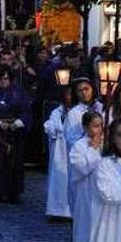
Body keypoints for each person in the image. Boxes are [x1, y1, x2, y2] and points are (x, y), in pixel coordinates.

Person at [0, 65, 32, 203]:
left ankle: (13, 192)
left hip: (14, 132)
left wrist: (19, 122)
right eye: (2, 79)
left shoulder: (18, 91)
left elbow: (26, 110)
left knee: (14, 163)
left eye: (7, 79)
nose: (4, 82)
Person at [69, 112, 104, 242]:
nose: (99, 129)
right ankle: (83, 240)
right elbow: (80, 167)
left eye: (101, 126)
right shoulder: (79, 145)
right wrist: (93, 150)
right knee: (85, 214)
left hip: (100, 187)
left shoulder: (105, 144)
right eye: (95, 126)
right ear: (85, 127)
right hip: (85, 187)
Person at [44, 88, 73, 222]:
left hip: (72, 150)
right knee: (58, 180)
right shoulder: (57, 112)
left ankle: (70, 210)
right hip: (59, 151)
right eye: (67, 94)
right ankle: (57, 210)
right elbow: (50, 125)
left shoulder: (80, 111)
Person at [64, 78, 103, 149]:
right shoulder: (73, 113)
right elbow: (70, 139)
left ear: (92, 89)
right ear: (76, 93)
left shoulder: (101, 107)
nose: (84, 93)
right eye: (80, 91)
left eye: (86, 89)